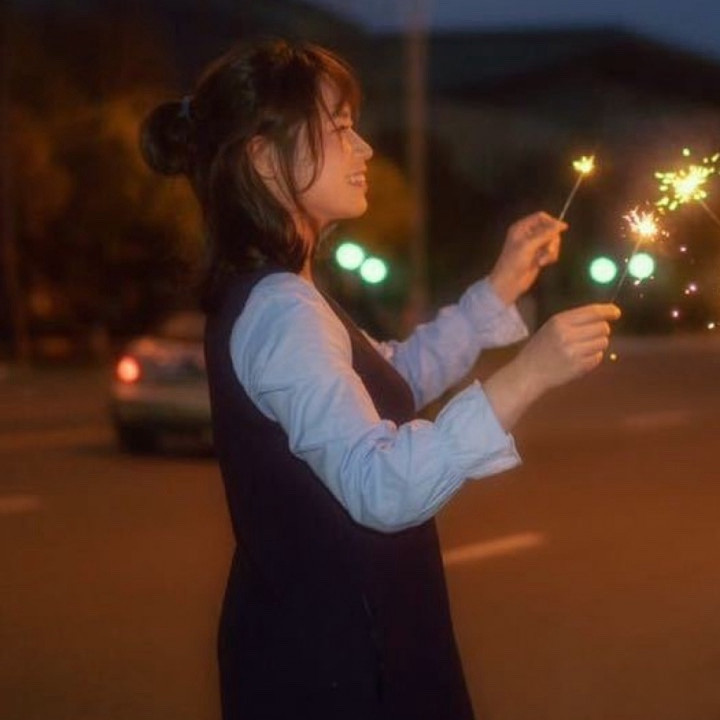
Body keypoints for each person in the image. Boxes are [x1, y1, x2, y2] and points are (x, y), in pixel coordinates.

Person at [141, 37, 620, 720]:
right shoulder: (281, 308)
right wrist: (529, 375)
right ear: (264, 159)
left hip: (328, 643)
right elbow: (379, 487)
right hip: (335, 666)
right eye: (339, 129)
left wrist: (499, 286)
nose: (364, 149)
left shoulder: (284, 292)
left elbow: (394, 377)